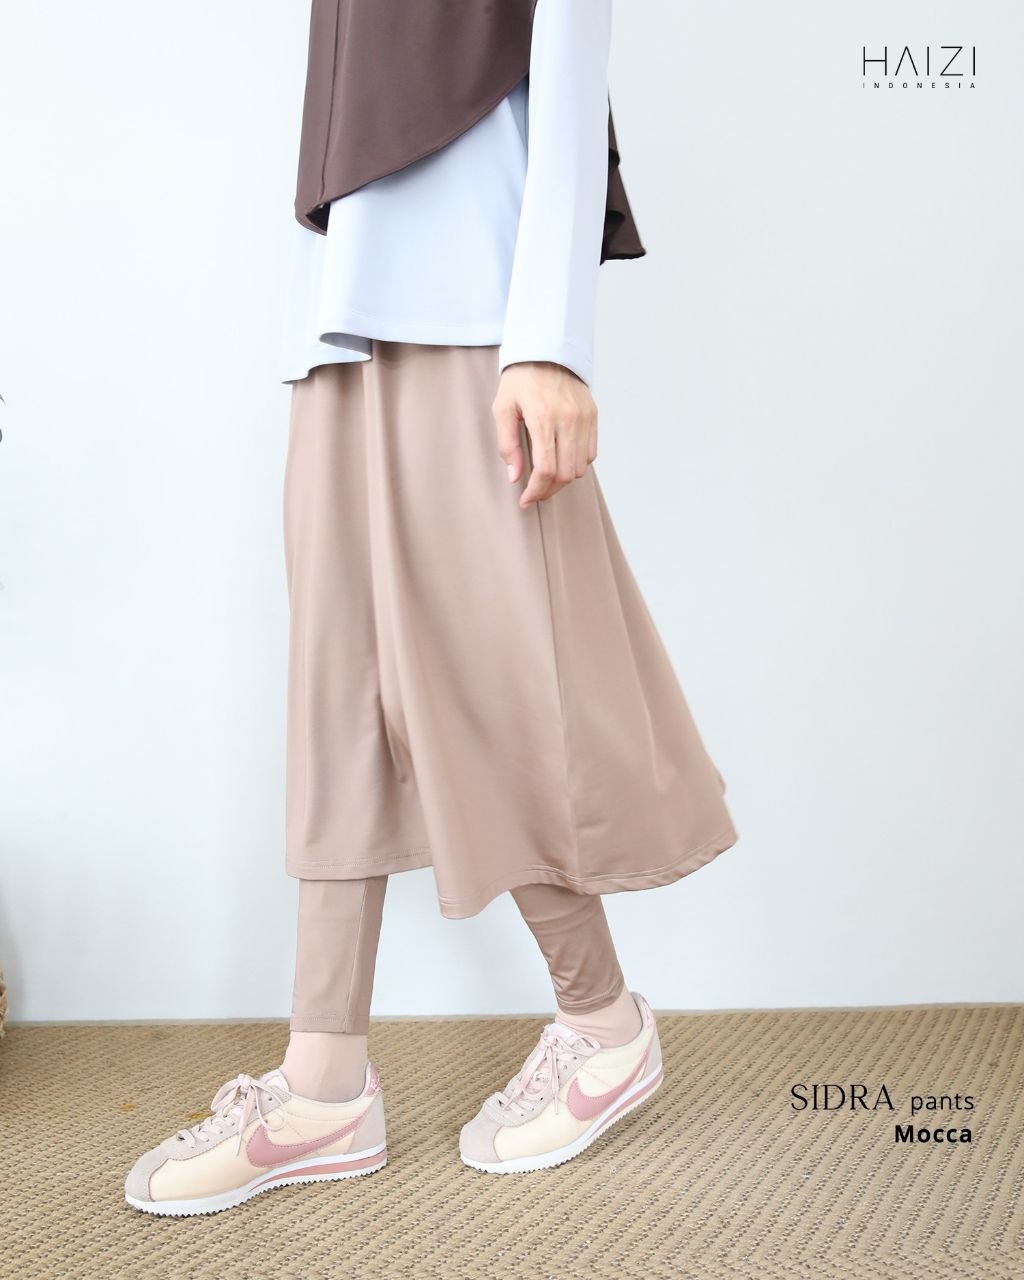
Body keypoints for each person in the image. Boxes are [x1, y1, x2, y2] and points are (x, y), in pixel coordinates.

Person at [124, 0, 738, 1215]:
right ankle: (323, 1077)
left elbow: (569, 51)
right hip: (337, 307)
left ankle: (601, 1021)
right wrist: (318, 302)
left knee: (482, 676)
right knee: (339, 690)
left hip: (473, 302)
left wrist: (549, 339)